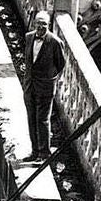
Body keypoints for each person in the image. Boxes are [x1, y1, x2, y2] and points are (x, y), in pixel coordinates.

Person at [23, 10, 65, 158]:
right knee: (31, 118)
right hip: (29, 86)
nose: (41, 27)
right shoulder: (28, 38)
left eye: (44, 24)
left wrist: (48, 79)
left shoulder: (55, 42)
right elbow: (28, 60)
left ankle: (44, 153)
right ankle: (35, 151)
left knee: (42, 120)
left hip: (45, 88)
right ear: (34, 23)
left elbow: (60, 64)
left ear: (49, 25)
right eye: (38, 23)